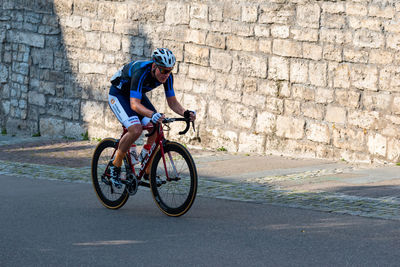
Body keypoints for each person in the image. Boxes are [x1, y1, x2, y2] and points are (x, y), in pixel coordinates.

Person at [107, 48, 196, 187]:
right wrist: (152, 114)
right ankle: (115, 165)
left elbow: (172, 102)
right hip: (118, 95)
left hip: (136, 95)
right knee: (135, 129)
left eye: (170, 70)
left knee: (157, 125)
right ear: (154, 66)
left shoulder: (167, 76)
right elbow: (134, 105)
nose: (166, 74)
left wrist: (185, 113)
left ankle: (148, 170)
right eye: (164, 71)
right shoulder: (140, 71)